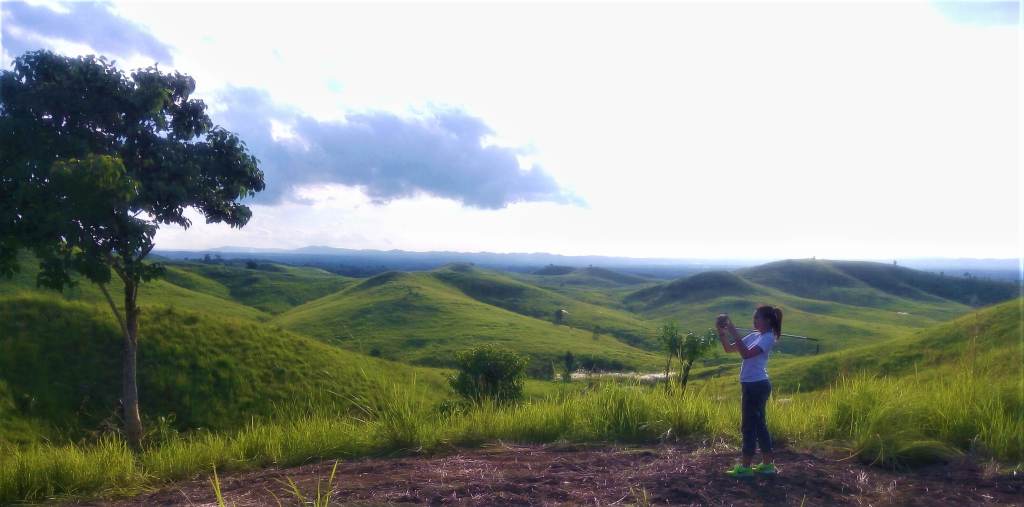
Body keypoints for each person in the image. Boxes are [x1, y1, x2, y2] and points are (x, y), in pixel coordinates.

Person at [716, 305, 782, 478]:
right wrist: (722, 332)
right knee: (759, 425)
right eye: (754, 318)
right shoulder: (756, 335)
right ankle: (767, 465)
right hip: (752, 384)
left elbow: (746, 354)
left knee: (749, 426)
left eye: (757, 318)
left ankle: (745, 467)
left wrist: (734, 331)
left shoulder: (768, 338)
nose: (754, 321)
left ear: (767, 320)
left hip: (756, 385)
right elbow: (730, 349)